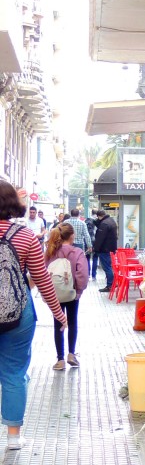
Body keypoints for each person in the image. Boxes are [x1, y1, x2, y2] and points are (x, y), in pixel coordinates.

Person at [0, 181, 67, 450]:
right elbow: (42, 279)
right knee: (14, 373)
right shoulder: (26, 236)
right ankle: (14, 436)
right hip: (19, 314)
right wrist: (59, 314)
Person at [44, 223, 88, 371]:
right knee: (72, 322)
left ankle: (60, 360)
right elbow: (82, 273)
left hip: (54, 294)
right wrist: (79, 290)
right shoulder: (77, 252)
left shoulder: (50, 251)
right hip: (72, 293)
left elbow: (44, 271)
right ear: (72, 236)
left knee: (58, 324)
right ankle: (71, 354)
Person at [92, 209, 118, 292]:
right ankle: (113, 283)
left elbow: (100, 238)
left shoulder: (104, 224)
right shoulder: (111, 221)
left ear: (99, 216)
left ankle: (110, 285)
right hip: (111, 248)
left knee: (107, 267)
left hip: (104, 249)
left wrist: (95, 249)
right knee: (109, 267)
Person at [85, 214, 98, 279]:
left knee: (87, 258)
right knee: (95, 258)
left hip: (87, 243)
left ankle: (87, 274)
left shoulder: (86, 223)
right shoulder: (97, 223)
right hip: (96, 243)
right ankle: (94, 274)